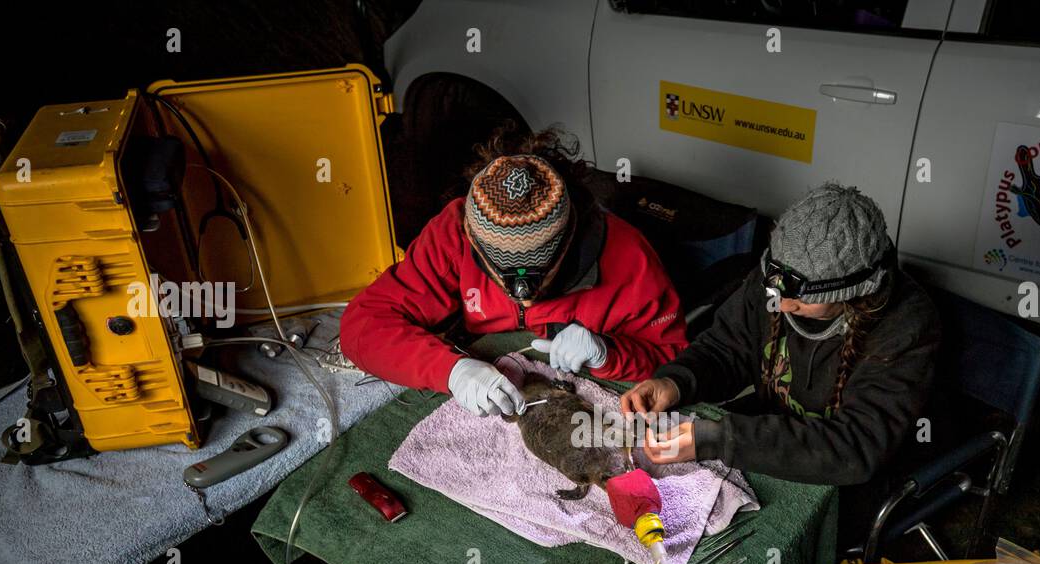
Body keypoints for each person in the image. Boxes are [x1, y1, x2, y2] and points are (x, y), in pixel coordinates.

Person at [621, 183, 940, 534]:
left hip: (849, 476)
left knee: (754, 546)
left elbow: (856, 447)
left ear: (853, 292)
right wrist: (676, 381)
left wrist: (718, 438)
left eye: (799, 299)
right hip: (768, 436)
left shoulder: (906, 325)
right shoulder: (780, 278)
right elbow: (726, 348)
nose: (782, 304)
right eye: (775, 290)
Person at [340, 128, 687, 416]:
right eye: (502, 272)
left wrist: (608, 352)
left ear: (570, 241)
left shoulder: (629, 255)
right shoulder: (452, 232)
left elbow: (677, 362)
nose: (522, 294)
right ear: (473, 241)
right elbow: (363, 326)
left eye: (537, 273)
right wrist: (450, 370)